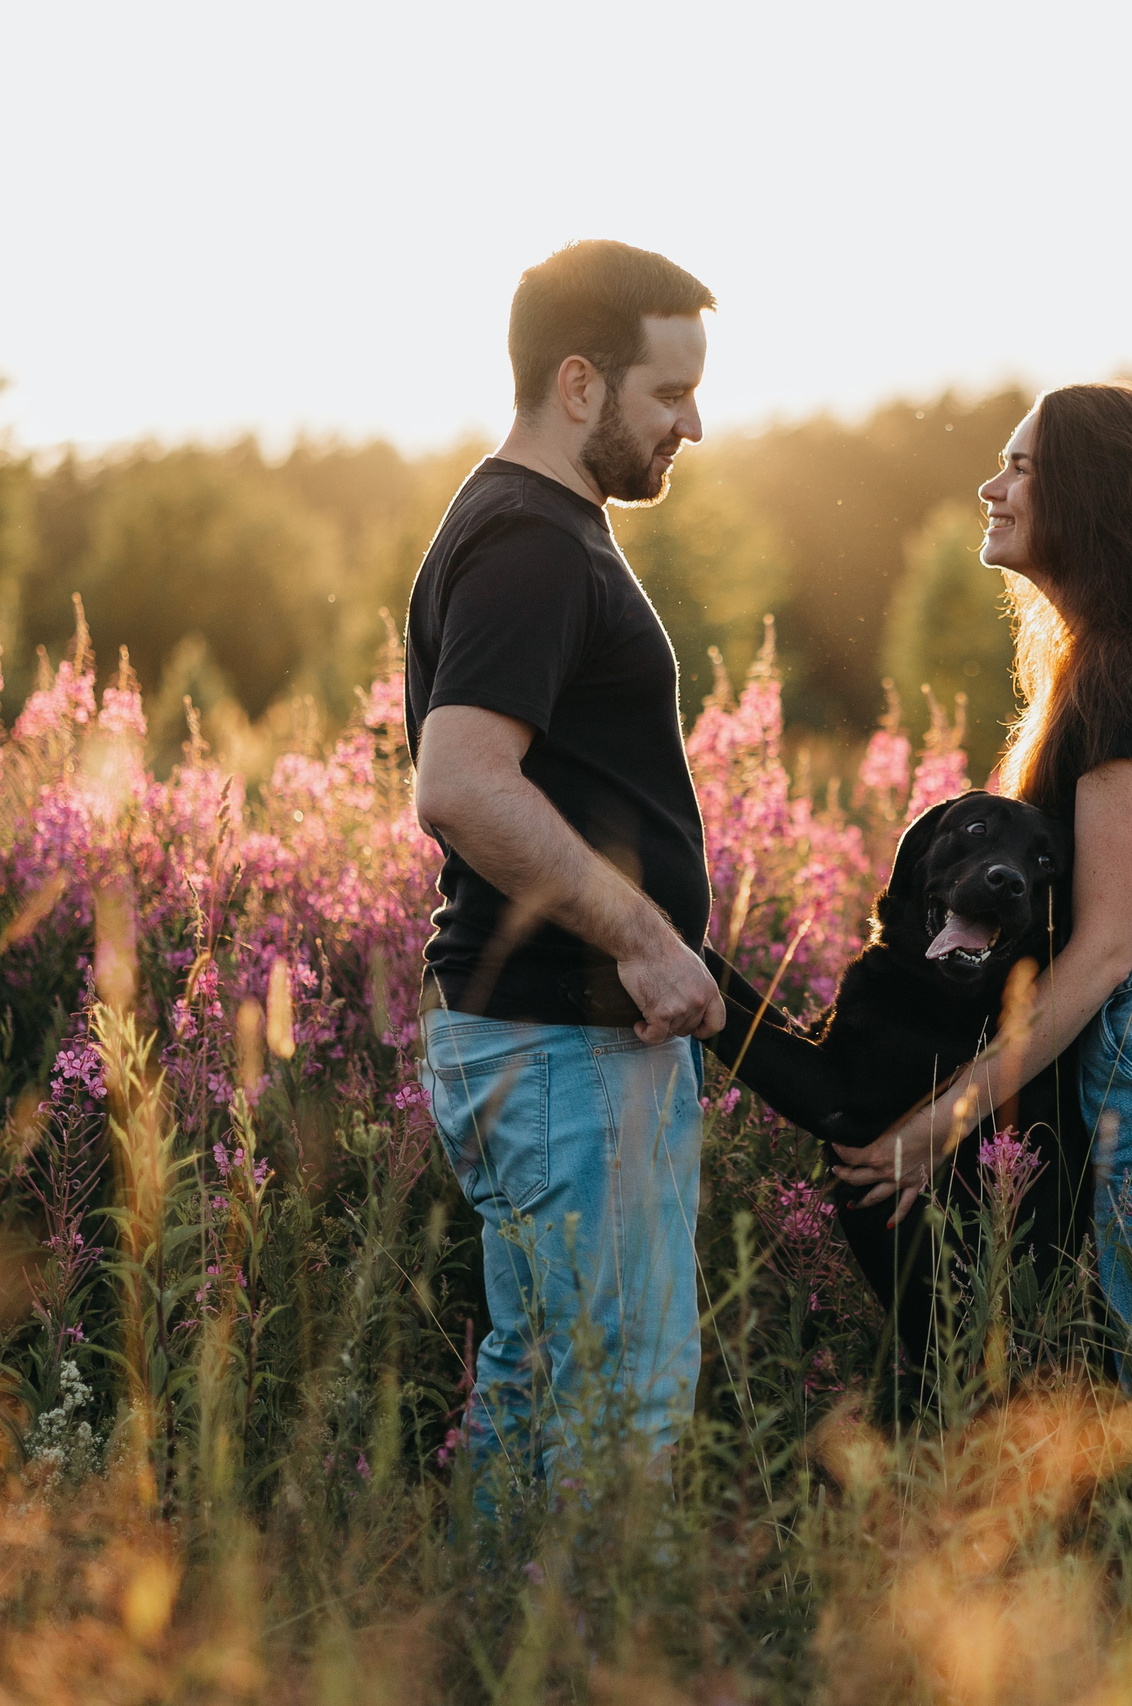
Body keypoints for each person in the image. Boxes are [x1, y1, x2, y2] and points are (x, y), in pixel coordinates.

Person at [830, 381, 1132, 1389]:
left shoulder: (1129, 680)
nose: (989, 485)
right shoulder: (1116, 665)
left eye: (1020, 467)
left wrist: (939, 1125)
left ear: (1092, 497)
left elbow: (1099, 951)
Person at [405, 240, 726, 1486]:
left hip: (550, 1043)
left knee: (543, 1389)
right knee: (614, 1411)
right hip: (564, 1045)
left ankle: (496, 1645)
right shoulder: (533, 543)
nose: (692, 423)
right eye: (668, 393)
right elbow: (463, 782)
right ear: (580, 385)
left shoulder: (532, 528)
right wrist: (649, 940)